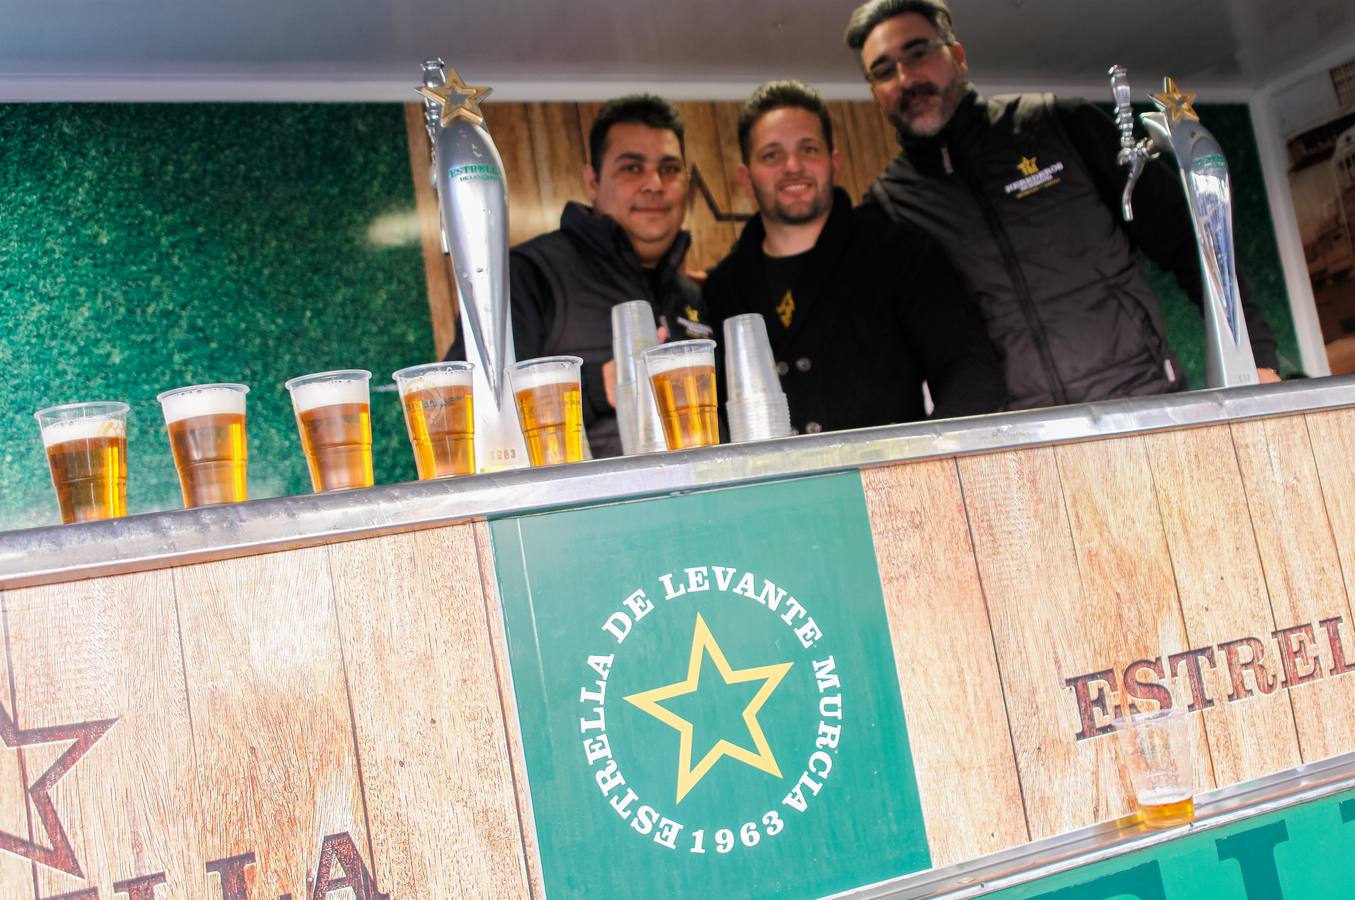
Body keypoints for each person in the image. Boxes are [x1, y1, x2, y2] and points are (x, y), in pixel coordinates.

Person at [843, 0, 1282, 411]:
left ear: (957, 56)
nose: (904, 80)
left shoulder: (1057, 123)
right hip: (1022, 443)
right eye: (883, 71)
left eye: (918, 54)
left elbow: (1193, 243)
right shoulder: (889, 208)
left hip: (1142, 403)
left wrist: (1255, 356)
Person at [702, 80, 1005, 435]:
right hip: (772, 490)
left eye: (809, 149)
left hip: (889, 485)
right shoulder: (721, 288)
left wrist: (927, 462)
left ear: (834, 165)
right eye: (771, 155)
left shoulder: (899, 253)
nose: (792, 166)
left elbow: (972, 371)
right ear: (746, 178)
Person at [447, 94, 709, 457]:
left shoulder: (691, 294)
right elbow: (465, 415)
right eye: (631, 168)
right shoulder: (527, 274)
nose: (654, 184)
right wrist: (599, 388)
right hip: (590, 511)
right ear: (592, 181)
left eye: (670, 168)